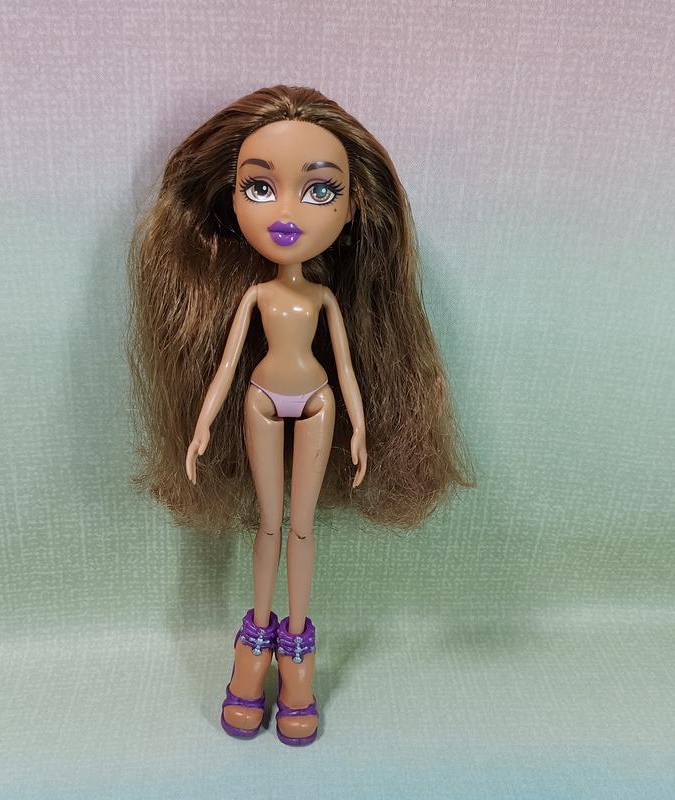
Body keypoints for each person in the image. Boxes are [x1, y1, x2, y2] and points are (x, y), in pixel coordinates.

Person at [127, 84, 474, 746]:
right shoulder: (257, 295)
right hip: (261, 397)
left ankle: (297, 655)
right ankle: (252, 646)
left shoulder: (323, 299)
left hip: (317, 402)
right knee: (268, 523)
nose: (286, 212)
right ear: (229, 200)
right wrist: (201, 425)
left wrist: (362, 428)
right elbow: (228, 365)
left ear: (354, 206)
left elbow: (344, 367)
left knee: (302, 528)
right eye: (261, 187)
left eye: (319, 190)